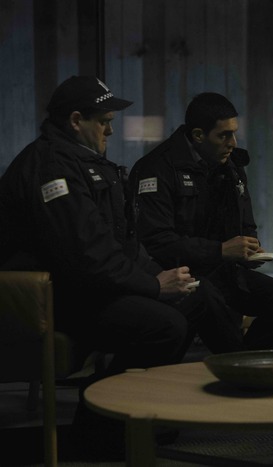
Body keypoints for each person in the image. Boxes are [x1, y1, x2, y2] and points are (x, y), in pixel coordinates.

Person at [0, 76, 245, 458]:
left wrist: (160, 275)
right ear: (76, 120)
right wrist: (154, 285)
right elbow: (87, 257)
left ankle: (164, 402)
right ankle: (99, 425)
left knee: (197, 295)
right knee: (165, 325)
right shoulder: (52, 169)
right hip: (50, 299)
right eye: (104, 122)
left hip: (86, 285)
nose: (111, 130)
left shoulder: (83, 160)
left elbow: (122, 243)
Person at [129, 92, 273, 351]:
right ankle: (238, 363)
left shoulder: (229, 165)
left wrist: (249, 248)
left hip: (222, 269)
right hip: (179, 274)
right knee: (210, 303)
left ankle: (248, 362)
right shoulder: (158, 168)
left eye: (234, 133)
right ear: (198, 135)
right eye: (224, 135)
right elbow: (157, 243)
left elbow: (245, 220)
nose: (232, 143)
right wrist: (220, 250)